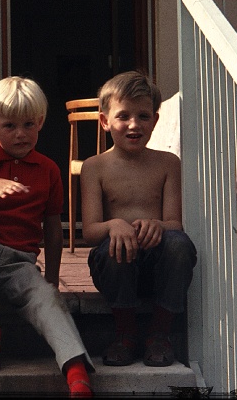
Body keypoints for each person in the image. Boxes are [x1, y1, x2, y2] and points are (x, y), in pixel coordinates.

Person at [0, 76, 95, 397]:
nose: (20, 134)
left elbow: (53, 228)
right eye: (9, 125)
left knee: (48, 300)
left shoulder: (47, 169)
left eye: (28, 124)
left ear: (41, 122)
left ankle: (76, 374)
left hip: (21, 263)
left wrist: (54, 280)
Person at [80, 70, 197, 367]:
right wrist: (114, 225)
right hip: (116, 268)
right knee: (112, 248)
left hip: (158, 269)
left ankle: (159, 332)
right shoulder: (94, 167)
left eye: (144, 116)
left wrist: (158, 225)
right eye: (123, 116)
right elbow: (91, 233)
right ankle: (125, 333)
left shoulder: (168, 163)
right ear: (105, 120)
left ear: (155, 121)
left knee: (180, 245)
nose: (134, 125)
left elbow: (175, 224)